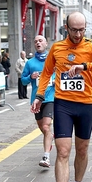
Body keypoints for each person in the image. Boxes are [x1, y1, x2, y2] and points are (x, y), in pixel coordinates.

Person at [30, 11, 92, 182]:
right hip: (63, 105)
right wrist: (39, 96)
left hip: (86, 105)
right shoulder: (57, 48)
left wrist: (84, 66)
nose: (78, 34)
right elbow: (46, 73)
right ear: (66, 28)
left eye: (81, 30)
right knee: (62, 151)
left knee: (83, 150)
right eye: (74, 30)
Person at [22, 35, 55, 167]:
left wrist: (55, 79)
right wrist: (30, 76)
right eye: (35, 41)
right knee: (43, 128)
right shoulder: (30, 63)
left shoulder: (53, 60)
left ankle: (46, 157)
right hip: (36, 99)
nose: (38, 43)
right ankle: (50, 138)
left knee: (46, 126)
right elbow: (23, 81)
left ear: (46, 43)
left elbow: (62, 76)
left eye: (40, 41)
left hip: (50, 98)